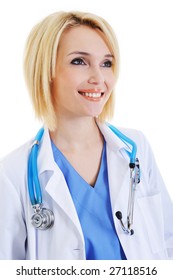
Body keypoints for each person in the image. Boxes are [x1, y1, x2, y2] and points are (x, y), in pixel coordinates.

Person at [0, 11, 173, 260]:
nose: (99, 78)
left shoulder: (136, 148)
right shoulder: (12, 175)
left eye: (106, 63)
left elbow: (167, 242)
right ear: (46, 70)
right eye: (79, 61)